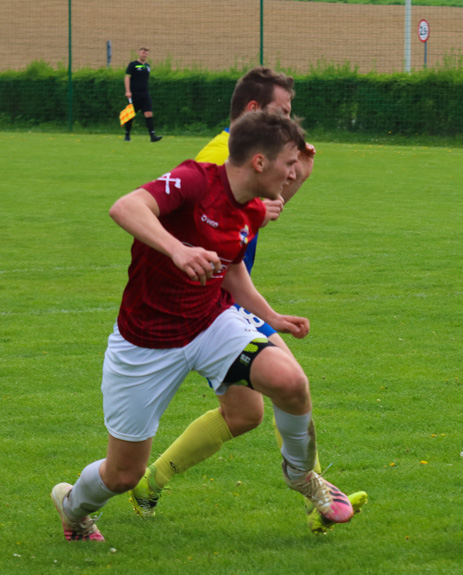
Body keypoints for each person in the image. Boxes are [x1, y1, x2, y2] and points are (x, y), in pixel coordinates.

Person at [51, 111, 355, 542]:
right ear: (259, 163)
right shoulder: (195, 180)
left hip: (210, 322)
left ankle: (302, 476)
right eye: (289, 164)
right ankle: (74, 510)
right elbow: (125, 206)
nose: (293, 174)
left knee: (290, 381)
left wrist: (271, 317)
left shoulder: (250, 209)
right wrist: (178, 249)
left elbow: (231, 272)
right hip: (146, 343)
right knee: (122, 474)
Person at [127, 67, 366, 534]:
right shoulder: (220, 155)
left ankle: (151, 481)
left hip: (227, 293)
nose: (289, 125)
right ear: (254, 113)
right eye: (283, 113)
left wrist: (298, 176)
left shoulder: (251, 156)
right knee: (288, 382)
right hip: (212, 301)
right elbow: (235, 212)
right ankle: (316, 490)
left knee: (245, 413)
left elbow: (260, 213)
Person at [124, 47, 162, 142]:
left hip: (145, 94)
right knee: (131, 115)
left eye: (146, 53)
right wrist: (128, 91)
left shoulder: (147, 66)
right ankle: (127, 135)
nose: (144, 54)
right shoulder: (133, 65)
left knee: (148, 114)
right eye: (143, 52)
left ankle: (152, 136)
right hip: (134, 94)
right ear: (139, 53)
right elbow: (127, 77)